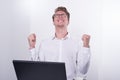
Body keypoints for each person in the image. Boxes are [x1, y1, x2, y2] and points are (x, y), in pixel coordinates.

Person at [28, 6, 91, 80]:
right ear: (53, 21)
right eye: (57, 15)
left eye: (63, 15)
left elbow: (82, 70)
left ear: (68, 21)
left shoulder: (78, 42)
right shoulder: (44, 43)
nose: (60, 17)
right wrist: (32, 46)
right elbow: (38, 67)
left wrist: (86, 46)